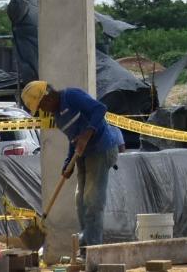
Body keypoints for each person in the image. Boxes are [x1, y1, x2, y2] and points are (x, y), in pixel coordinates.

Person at [22, 80, 124, 246]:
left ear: (47, 97)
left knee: (93, 200)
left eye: (41, 106)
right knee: (80, 201)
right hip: (83, 155)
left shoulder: (71, 96)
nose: (42, 111)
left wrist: (87, 134)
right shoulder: (58, 116)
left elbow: (100, 109)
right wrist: (68, 162)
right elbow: (73, 140)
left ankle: (93, 246)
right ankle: (86, 244)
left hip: (101, 150)